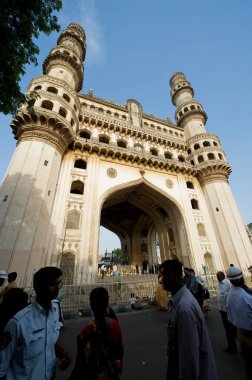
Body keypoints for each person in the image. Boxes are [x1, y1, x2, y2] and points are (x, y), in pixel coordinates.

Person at [0, 266, 71, 380]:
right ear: (39, 288)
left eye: (59, 284)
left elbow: (47, 339)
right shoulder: (18, 323)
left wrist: (62, 352)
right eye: (53, 285)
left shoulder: (54, 312)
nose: (57, 288)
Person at [160, 259, 217, 380]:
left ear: (174, 276)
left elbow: (189, 360)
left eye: (164, 275)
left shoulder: (184, 309)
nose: (161, 280)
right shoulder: (181, 302)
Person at [69, 287, 123, 380]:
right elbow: (120, 352)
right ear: (107, 302)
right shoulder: (115, 325)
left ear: (91, 305)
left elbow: (80, 364)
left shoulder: (86, 333)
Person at [225, 266, 252, 379]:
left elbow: (229, 318)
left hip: (240, 334)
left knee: (247, 364)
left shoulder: (228, 295)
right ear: (242, 278)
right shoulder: (248, 296)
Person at [216, 271, 237, 353]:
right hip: (222, 310)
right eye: (217, 276)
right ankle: (231, 346)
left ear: (222, 276)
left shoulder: (228, 283)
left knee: (233, 328)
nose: (217, 277)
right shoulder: (219, 284)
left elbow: (232, 294)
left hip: (229, 310)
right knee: (227, 329)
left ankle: (240, 345)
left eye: (218, 276)